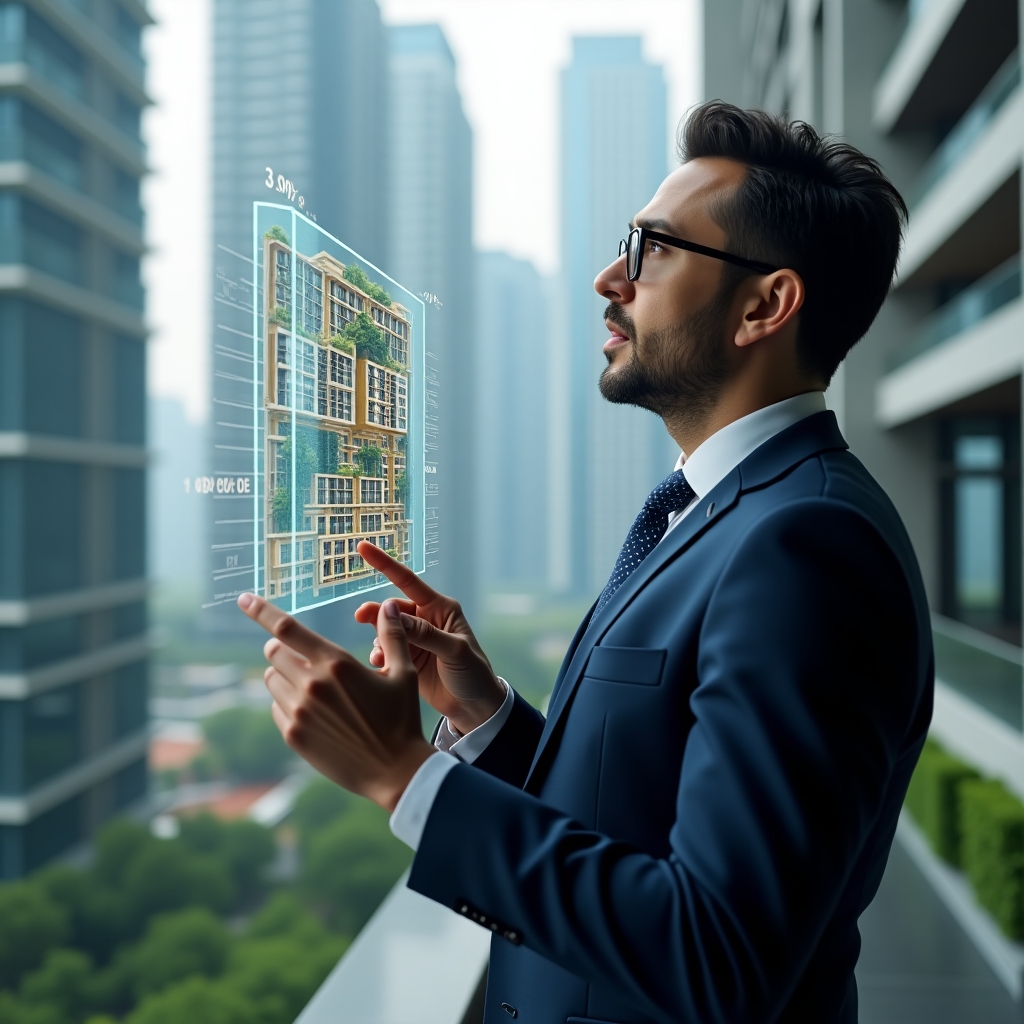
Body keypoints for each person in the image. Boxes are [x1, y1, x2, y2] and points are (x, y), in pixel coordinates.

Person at [237, 102, 932, 1024]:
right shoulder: (722, 513)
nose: (612, 278)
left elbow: (716, 954)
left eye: (655, 250)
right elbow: (648, 817)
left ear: (766, 305)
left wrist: (400, 772)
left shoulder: (808, 545)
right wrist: (488, 721)